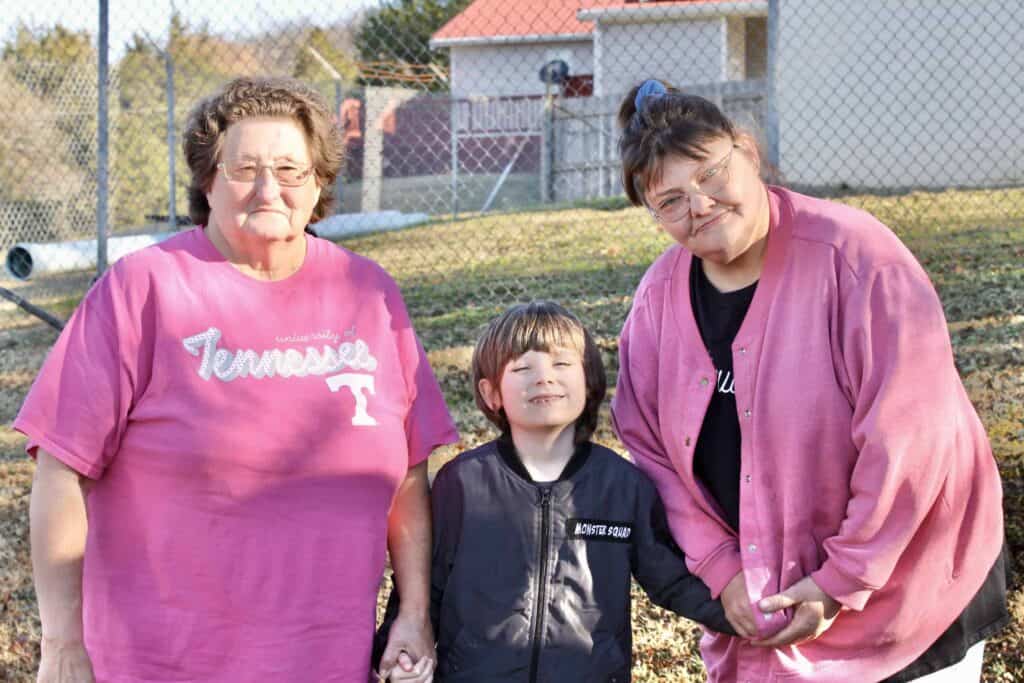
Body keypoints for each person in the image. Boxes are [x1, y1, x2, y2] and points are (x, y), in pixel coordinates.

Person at [16, 76, 457, 683]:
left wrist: (413, 614)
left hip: (327, 658)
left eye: (289, 168)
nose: (269, 187)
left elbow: (408, 474)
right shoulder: (142, 290)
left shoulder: (370, 293)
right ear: (208, 180)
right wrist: (62, 643)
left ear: (319, 182)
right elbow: (60, 468)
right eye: (244, 167)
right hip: (159, 662)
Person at [610, 79, 1009, 682]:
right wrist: (721, 568)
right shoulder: (657, 302)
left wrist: (840, 580)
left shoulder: (856, 257)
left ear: (746, 150)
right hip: (767, 613)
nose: (699, 206)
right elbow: (651, 451)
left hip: (906, 594)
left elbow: (912, 439)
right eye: (669, 201)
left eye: (711, 174)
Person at [376, 300, 736, 682]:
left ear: (590, 381)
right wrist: (397, 656)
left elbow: (672, 579)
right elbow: (422, 586)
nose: (543, 377)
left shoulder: (622, 485)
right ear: (491, 392)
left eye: (561, 364)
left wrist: (751, 616)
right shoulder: (462, 483)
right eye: (522, 367)